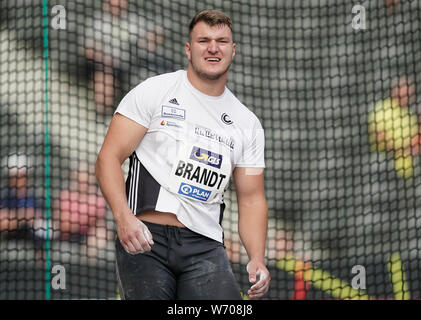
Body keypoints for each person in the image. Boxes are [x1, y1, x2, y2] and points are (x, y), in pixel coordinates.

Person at [96, 9, 270, 300]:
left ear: (233, 50)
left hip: (205, 245)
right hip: (146, 238)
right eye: (204, 40)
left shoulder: (247, 123)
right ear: (189, 49)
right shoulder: (155, 90)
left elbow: (251, 198)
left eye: (221, 41)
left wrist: (257, 256)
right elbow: (108, 158)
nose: (213, 48)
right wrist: (123, 217)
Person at [83, 0, 165, 115]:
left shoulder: (134, 20)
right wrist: (104, 59)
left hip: (134, 65)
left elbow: (155, 36)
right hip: (108, 67)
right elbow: (89, 51)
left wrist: (151, 38)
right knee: (104, 84)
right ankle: (103, 116)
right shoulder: (98, 22)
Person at [368, 77, 418, 179]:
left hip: (407, 172)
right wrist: (402, 149)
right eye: (404, 91)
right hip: (385, 167)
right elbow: (379, 137)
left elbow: (416, 140)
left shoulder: (409, 114)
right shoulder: (382, 109)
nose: (407, 95)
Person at [54, 162, 107, 245]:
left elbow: (100, 223)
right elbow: (64, 225)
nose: (83, 182)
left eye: (86, 177)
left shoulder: (98, 199)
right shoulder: (66, 196)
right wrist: (88, 219)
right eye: (80, 177)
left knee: (99, 234)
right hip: (67, 237)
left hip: (87, 236)